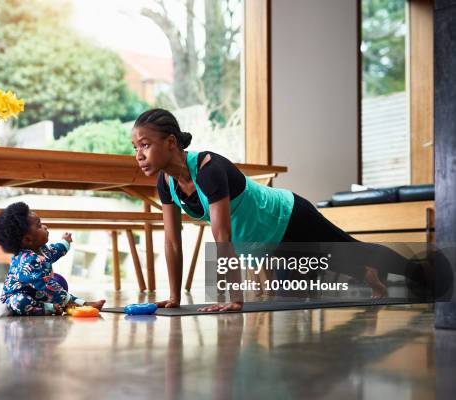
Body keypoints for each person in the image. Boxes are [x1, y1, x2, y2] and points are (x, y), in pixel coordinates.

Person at [131, 108, 412, 312]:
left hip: (289, 216)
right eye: (135, 147)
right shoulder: (166, 182)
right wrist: (173, 296)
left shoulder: (208, 169)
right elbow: (171, 241)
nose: (139, 155)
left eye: (145, 145)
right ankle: (369, 276)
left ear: (170, 143)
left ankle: (423, 272)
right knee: (321, 269)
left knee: (352, 249)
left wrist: (234, 298)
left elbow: (223, 237)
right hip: (266, 242)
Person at [0, 202, 106, 316]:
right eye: (39, 225)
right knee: (21, 301)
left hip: (38, 293)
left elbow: (55, 250)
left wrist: (65, 242)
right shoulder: (27, 260)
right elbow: (46, 286)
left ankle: (83, 303)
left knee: (55, 290)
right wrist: (66, 300)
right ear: (28, 239)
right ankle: (49, 308)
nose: (45, 226)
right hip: (17, 297)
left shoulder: (42, 250)